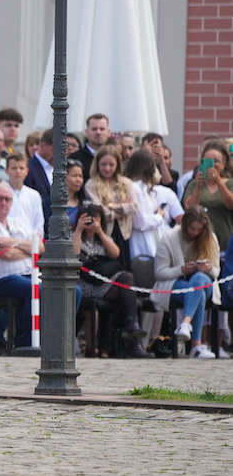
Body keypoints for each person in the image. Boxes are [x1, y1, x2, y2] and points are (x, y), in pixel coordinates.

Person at [73, 204, 151, 358]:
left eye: (95, 218)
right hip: (84, 284)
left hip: (104, 282)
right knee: (125, 294)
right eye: (87, 218)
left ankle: (131, 327)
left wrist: (99, 231)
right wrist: (79, 229)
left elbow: (116, 253)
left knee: (126, 279)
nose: (91, 221)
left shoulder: (103, 237)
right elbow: (73, 254)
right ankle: (131, 334)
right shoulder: (74, 235)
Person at [0, 183, 43, 350]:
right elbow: (6, 255)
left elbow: (40, 247)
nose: (3, 203)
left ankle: (56, 342)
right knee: (35, 290)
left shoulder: (19, 222)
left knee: (71, 291)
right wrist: (28, 249)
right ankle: (24, 343)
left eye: (7, 199)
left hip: (29, 274)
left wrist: (13, 242)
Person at [150, 207, 220, 359]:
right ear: (184, 225)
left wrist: (207, 268)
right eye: (192, 229)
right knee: (197, 292)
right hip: (175, 285)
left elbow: (216, 272)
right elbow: (159, 273)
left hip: (203, 283)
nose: (195, 233)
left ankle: (185, 323)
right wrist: (181, 270)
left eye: (199, 230)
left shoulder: (210, 238)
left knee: (200, 279)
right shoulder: (169, 237)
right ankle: (196, 345)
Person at [85, 146, 136, 269]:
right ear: (97, 164)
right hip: (104, 232)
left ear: (117, 165)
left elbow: (133, 207)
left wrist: (111, 207)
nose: (107, 168)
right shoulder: (91, 185)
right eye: (103, 164)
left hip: (124, 233)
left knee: (124, 269)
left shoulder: (126, 183)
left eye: (111, 164)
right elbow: (100, 212)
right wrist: (121, 209)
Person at [182, 140, 233, 255]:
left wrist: (219, 182)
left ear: (224, 164)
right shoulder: (194, 184)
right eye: (208, 161)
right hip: (199, 244)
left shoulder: (230, 184)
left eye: (216, 161)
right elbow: (189, 209)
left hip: (225, 243)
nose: (212, 165)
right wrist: (198, 187)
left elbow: (231, 205)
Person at [126, 150, 167, 259]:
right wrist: (159, 216)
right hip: (142, 242)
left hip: (151, 239)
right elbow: (140, 222)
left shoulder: (144, 187)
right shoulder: (135, 188)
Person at [5, 153, 44, 238]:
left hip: (29, 242)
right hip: (7, 241)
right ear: (6, 171)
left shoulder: (34, 195)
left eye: (21, 168)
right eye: (13, 168)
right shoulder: (0, 193)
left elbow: (38, 223)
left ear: (27, 171)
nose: (18, 171)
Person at [25, 128, 54, 234]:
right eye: (55, 149)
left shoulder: (61, 168)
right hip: (38, 232)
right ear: (42, 145)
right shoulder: (28, 169)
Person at [70, 113, 110, 182]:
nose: (98, 132)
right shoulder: (75, 158)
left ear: (108, 132)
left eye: (102, 129)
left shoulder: (116, 157)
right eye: (94, 129)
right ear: (87, 132)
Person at [65, 159, 85, 227]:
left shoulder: (83, 203)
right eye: (74, 176)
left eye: (80, 176)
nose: (78, 180)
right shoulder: (51, 203)